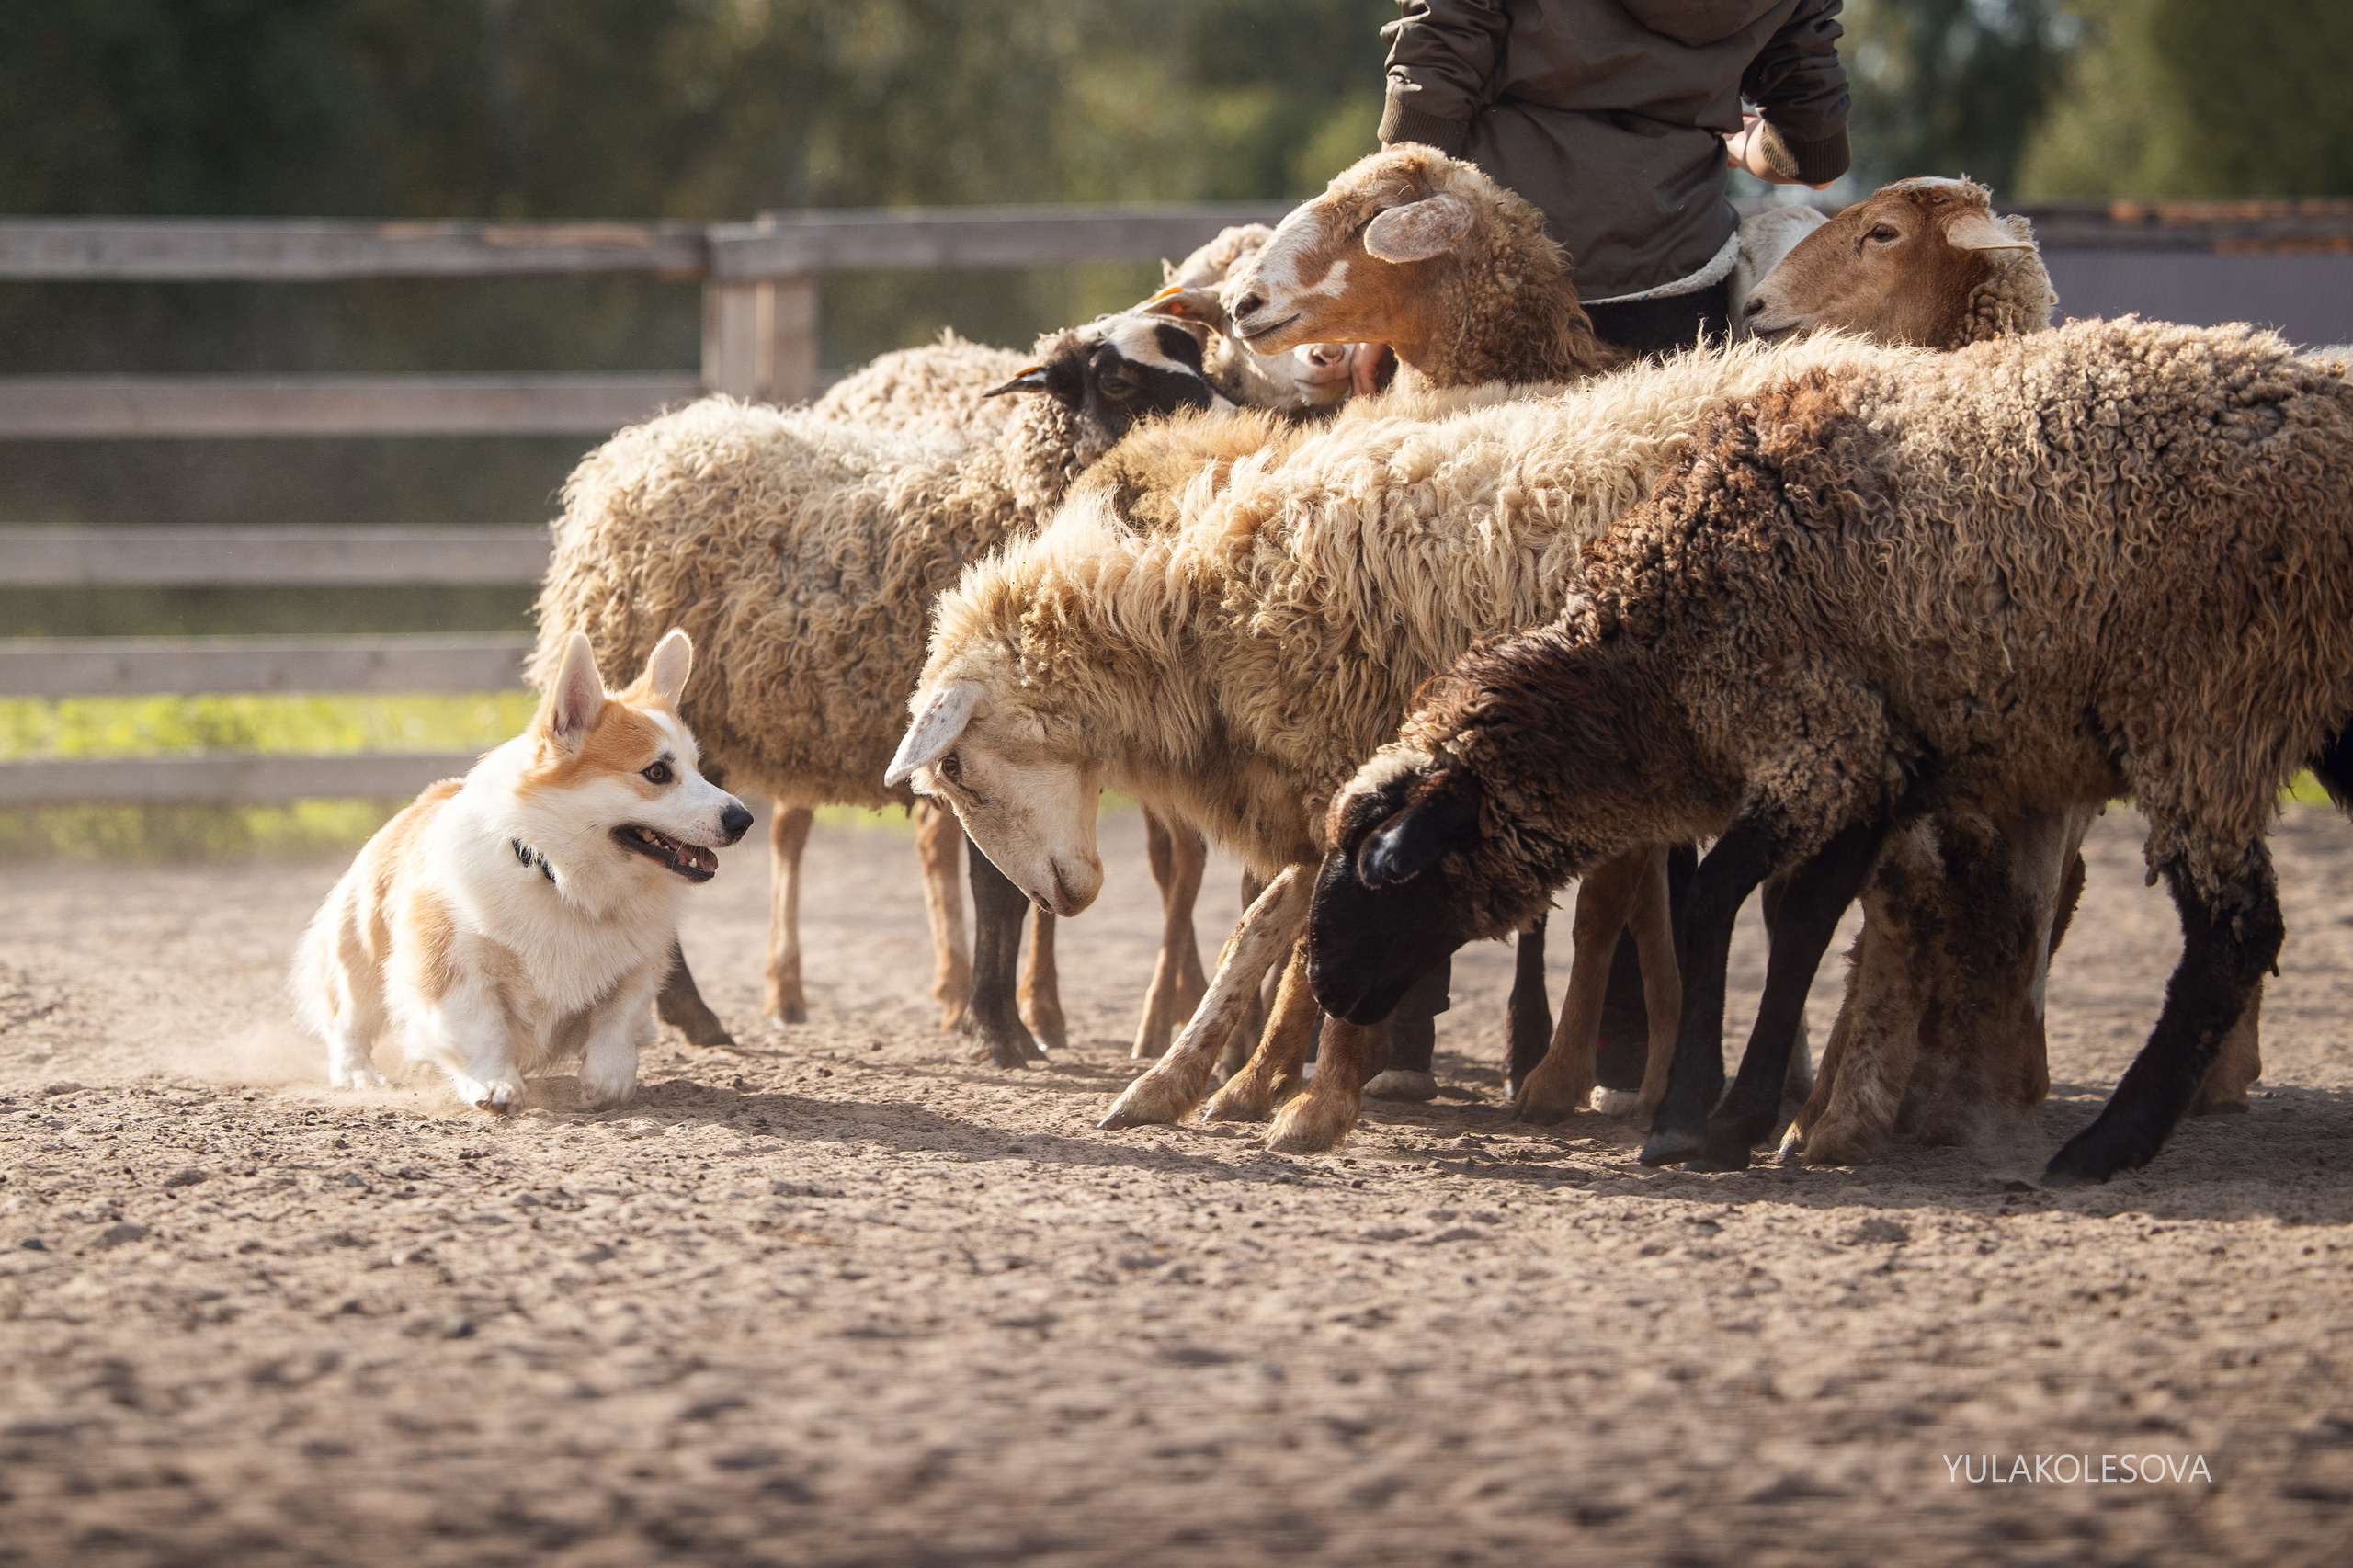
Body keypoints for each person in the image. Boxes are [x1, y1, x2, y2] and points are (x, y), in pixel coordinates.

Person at [1379, 0, 1851, 356]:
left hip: (1489, 289)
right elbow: (1813, 157)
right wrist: (1735, 139)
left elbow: (1427, 104)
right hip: (1678, 296)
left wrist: (1381, 284)